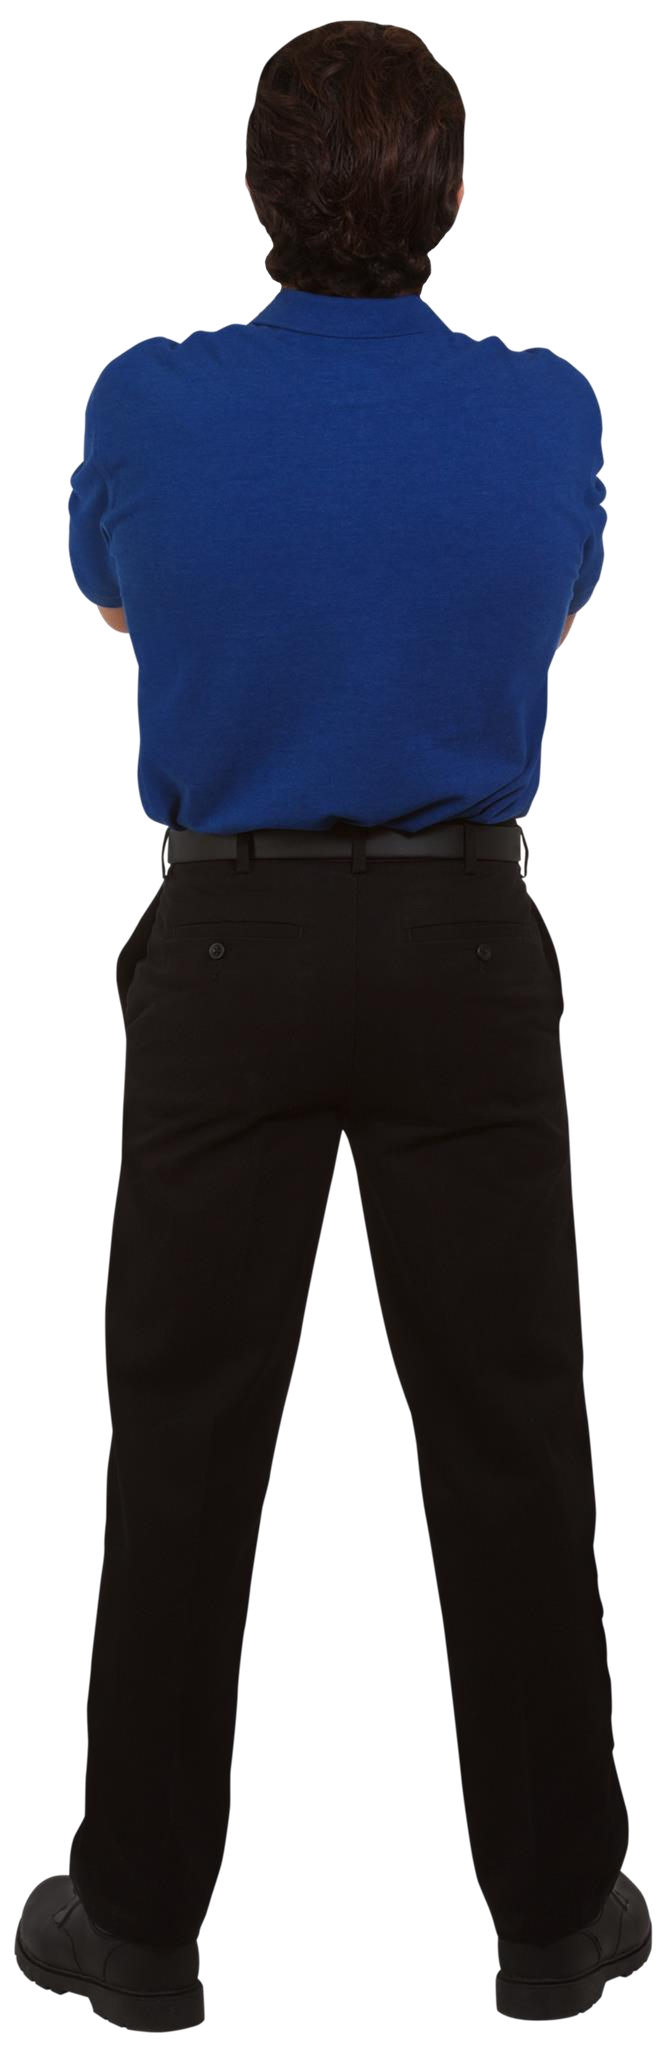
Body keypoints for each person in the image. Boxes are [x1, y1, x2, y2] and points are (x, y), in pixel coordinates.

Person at [18, 20, 650, 2031]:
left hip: (228, 948)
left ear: (254, 189)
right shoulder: (545, 405)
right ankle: (555, 1923)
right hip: (468, 944)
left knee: (182, 1442)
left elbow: (121, 607)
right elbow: (547, 615)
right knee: (512, 1438)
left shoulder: (148, 395)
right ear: (451, 194)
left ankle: (139, 1933)